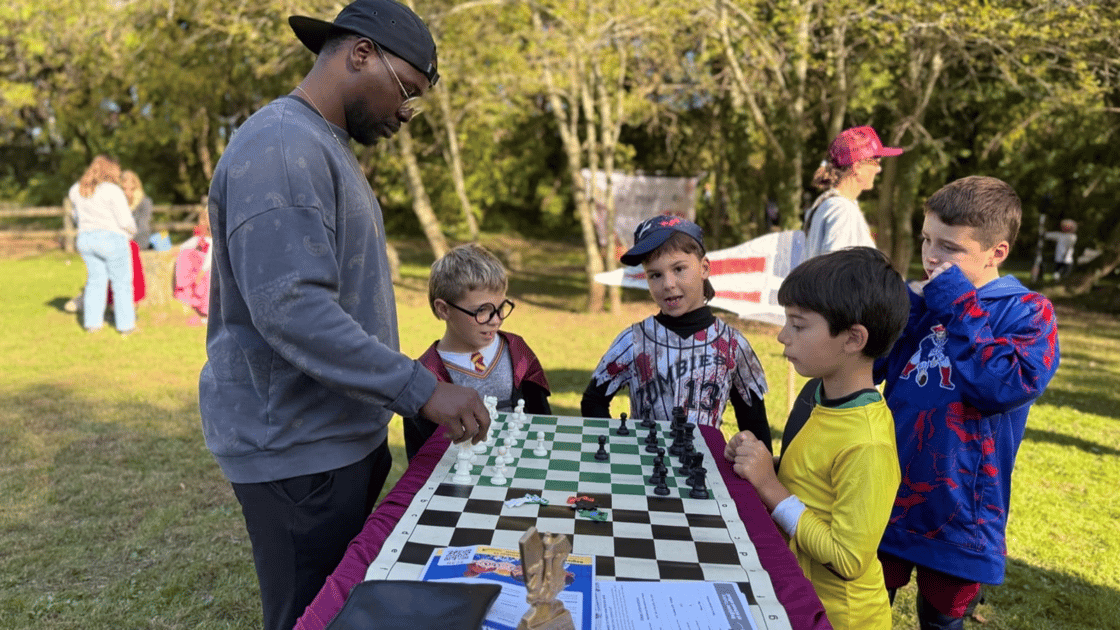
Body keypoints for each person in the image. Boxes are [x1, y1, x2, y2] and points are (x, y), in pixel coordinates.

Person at [198, 3, 489, 630]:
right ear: (360, 53)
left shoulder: (317, 144)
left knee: (348, 615)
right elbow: (291, 307)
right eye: (406, 91)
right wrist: (420, 389)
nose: (405, 113)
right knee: (313, 619)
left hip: (334, 440)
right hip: (298, 452)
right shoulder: (280, 145)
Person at [875, 176, 1060, 630]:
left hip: (960, 514)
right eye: (925, 240)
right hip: (885, 493)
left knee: (940, 620)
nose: (931, 257)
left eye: (950, 248)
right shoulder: (923, 301)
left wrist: (956, 304)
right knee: (864, 610)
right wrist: (909, 311)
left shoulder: (1027, 312)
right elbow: (872, 368)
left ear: (997, 251)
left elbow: (1000, 386)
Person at [725, 247, 910, 630]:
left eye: (798, 325)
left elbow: (847, 559)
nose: (781, 336)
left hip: (842, 619)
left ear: (853, 338)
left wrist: (769, 485)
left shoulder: (868, 443)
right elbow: (816, 484)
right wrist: (760, 463)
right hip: (801, 601)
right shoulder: (822, 397)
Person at [581, 214, 769, 444]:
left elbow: (755, 423)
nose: (668, 284)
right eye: (655, 275)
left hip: (704, 471)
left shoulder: (732, 345)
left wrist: (762, 476)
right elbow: (593, 401)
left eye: (679, 269)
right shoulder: (633, 341)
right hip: (646, 470)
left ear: (704, 268)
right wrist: (619, 450)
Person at [404, 243, 551, 460]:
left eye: (501, 308)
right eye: (482, 310)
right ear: (443, 309)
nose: (496, 320)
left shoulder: (517, 351)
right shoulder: (426, 374)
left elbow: (543, 420)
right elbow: (423, 456)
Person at [804, 126, 903, 258]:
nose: (879, 169)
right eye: (876, 161)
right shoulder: (842, 210)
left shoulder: (827, 203)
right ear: (857, 167)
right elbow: (837, 270)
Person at [68, 155, 138, 335]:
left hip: (85, 239)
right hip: (111, 238)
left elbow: (75, 216)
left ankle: (92, 324)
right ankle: (126, 326)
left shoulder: (76, 190)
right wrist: (132, 232)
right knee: (121, 283)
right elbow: (124, 220)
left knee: (95, 282)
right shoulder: (112, 190)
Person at [174, 210, 213, 326]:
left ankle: (208, 313)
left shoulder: (213, 240)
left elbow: (210, 258)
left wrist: (201, 273)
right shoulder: (200, 238)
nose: (202, 222)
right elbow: (189, 244)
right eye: (201, 219)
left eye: (204, 219)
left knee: (208, 289)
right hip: (199, 269)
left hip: (207, 271)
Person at [120, 170, 153, 250]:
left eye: (132, 189)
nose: (128, 193)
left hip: (139, 242)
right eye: (124, 189)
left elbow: (143, 227)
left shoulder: (144, 202)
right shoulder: (118, 202)